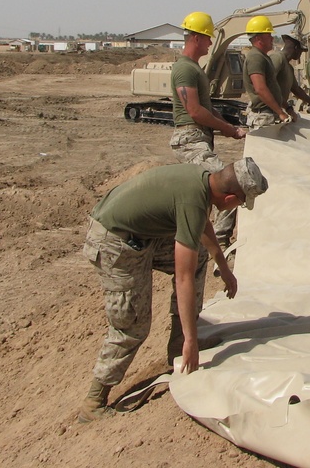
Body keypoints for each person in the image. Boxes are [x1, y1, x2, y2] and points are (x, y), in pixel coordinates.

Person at [79, 157, 268, 422]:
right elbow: (183, 278)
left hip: (141, 237)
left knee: (199, 255)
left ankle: (177, 345)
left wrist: (223, 265)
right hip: (114, 243)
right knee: (132, 324)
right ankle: (94, 402)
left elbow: (200, 224)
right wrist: (193, 340)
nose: (238, 207)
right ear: (229, 199)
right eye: (240, 202)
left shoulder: (203, 180)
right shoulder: (193, 201)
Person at [169, 10, 247, 251]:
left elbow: (207, 109)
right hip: (190, 139)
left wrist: (231, 128)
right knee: (229, 187)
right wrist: (227, 128)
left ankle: (205, 242)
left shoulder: (193, 69)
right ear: (196, 38)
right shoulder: (185, 70)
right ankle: (221, 244)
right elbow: (194, 111)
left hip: (199, 138)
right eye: (207, 37)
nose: (211, 42)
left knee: (203, 197)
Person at [242, 15, 293, 129]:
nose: (272, 38)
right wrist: (280, 112)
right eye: (268, 35)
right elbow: (260, 89)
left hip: (268, 113)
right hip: (263, 116)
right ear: (258, 39)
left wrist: (287, 108)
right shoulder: (255, 57)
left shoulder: (263, 57)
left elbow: (273, 89)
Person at [269, 33, 310, 120]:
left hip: (277, 110)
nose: (301, 54)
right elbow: (267, 83)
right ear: (296, 48)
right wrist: (287, 108)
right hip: (268, 110)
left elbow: (295, 89)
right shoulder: (277, 58)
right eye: (301, 50)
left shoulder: (289, 68)